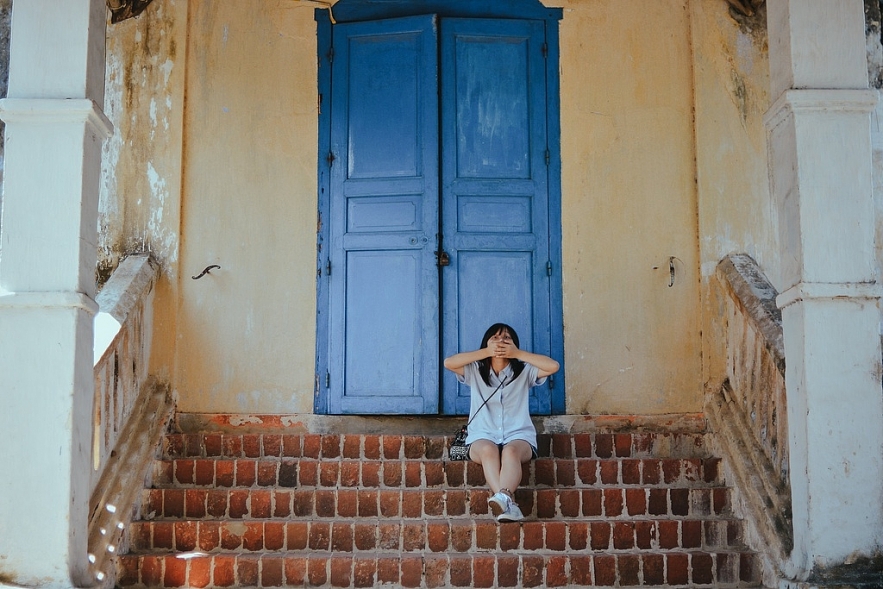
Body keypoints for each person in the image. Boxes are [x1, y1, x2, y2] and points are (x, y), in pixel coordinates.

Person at [443, 323, 560, 522]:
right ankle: (508, 502)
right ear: (486, 344)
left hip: (519, 435)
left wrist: (517, 353)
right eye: (495, 338)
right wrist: (485, 352)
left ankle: (503, 499)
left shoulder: (524, 371)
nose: (501, 342)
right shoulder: (475, 370)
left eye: (506, 338)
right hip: (482, 434)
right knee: (489, 451)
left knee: (510, 452)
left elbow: (553, 366)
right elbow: (449, 362)